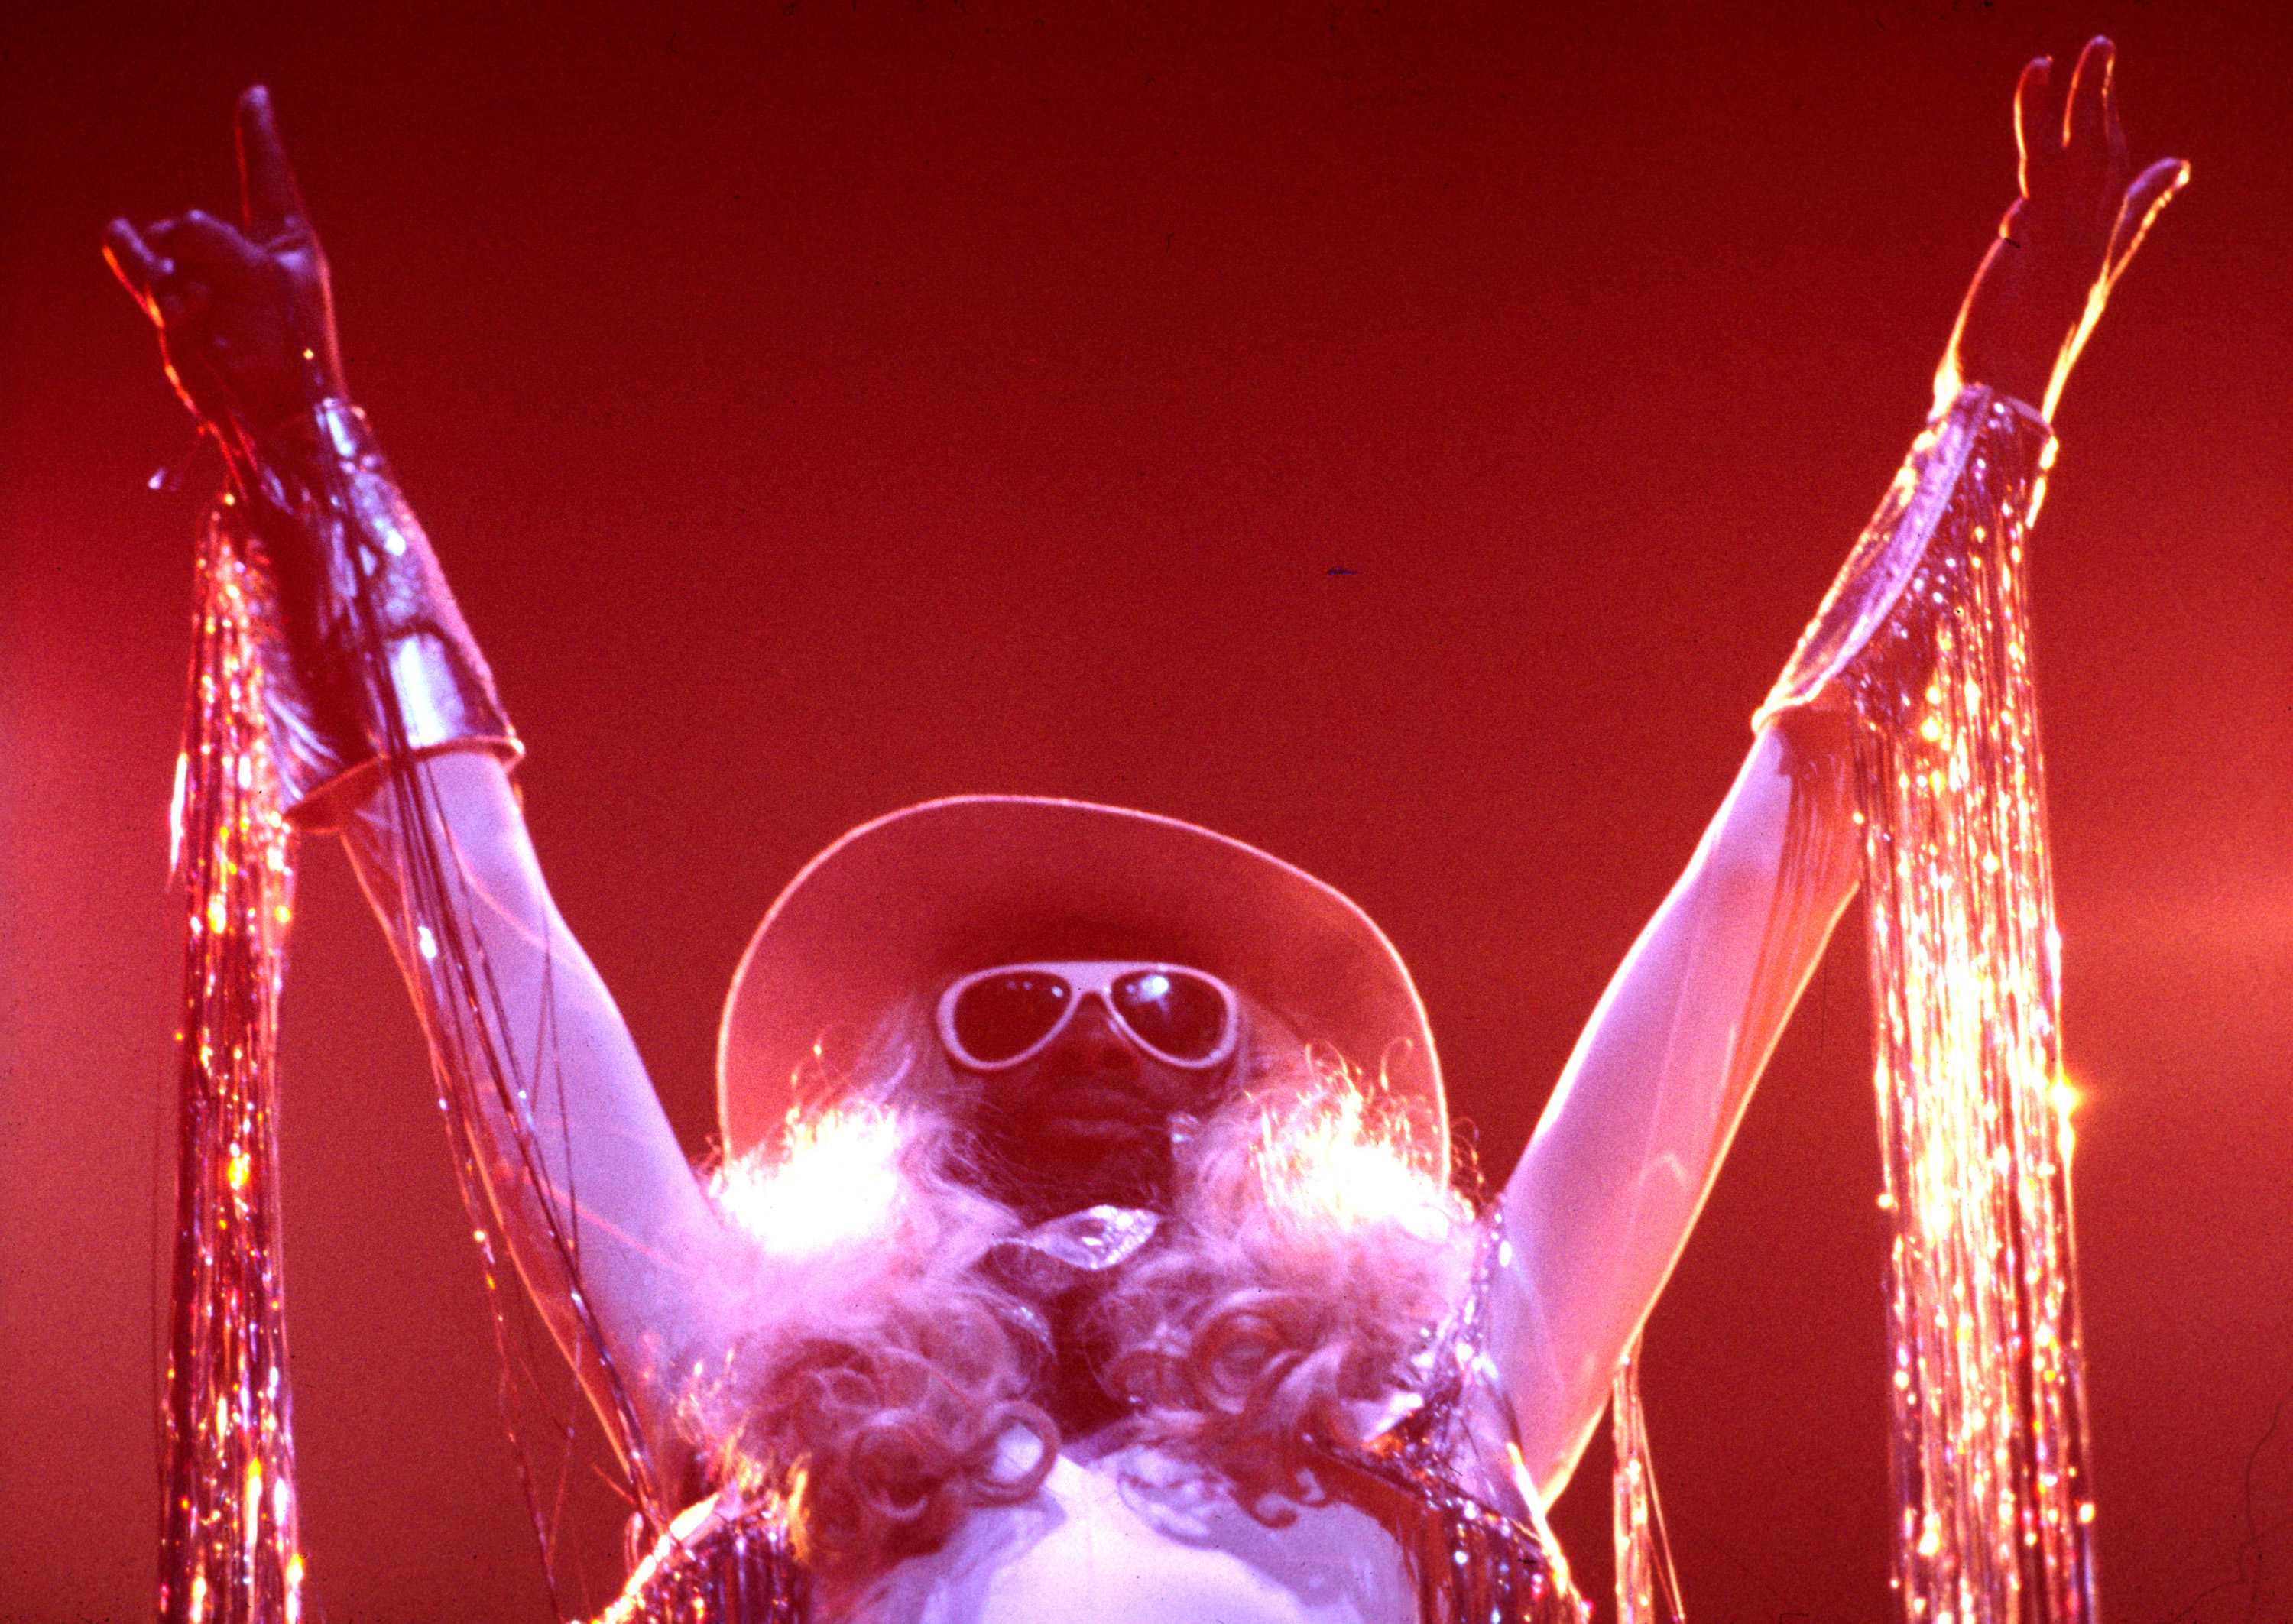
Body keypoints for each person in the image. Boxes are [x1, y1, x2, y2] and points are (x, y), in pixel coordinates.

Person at [105, 39, 2185, 1624]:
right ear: (919, 1099)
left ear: (1268, 1101)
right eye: (1014, 1009)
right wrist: (310, 457)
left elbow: (1764, 887)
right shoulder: (774, 1408)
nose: (1100, 1040)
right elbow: (493, 959)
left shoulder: (1441, 1401)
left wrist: (1988, 422)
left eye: (1176, 1015)